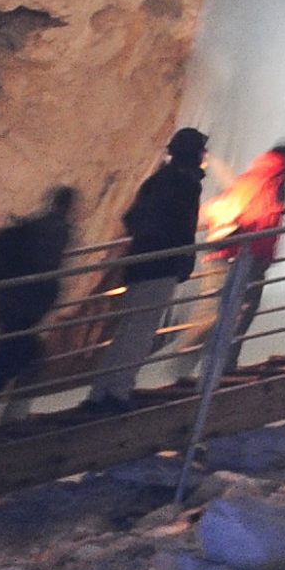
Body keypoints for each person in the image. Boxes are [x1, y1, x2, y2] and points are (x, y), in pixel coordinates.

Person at [83, 127, 206, 412]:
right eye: (201, 150)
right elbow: (183, 228)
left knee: (127, 329)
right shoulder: (184, 183)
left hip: (140, 262)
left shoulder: (157, 180)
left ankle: (100, 392)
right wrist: (181, 256)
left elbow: (131, 218)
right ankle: (117, 392)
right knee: (140, 330)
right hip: (161, 264)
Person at [0, 188, 74, 435]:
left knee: (18, 360)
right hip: (22, 307)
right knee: (6, 366)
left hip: (8, 303)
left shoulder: (33, 225)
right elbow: (46, 269)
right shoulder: (56, 230)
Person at [203, 143, 285, 366]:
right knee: (243, 309)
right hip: (249, 252)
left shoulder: (257, 176)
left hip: (239, 251)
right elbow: (259, 216)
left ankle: (216, 363)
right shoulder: (271, 179)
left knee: (230, 310)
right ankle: (222, 363)